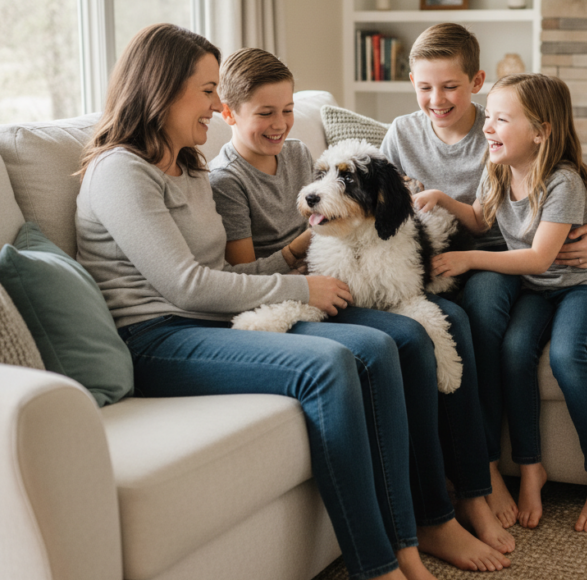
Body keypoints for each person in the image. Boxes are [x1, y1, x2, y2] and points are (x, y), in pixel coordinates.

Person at [75, 23, 439, 580]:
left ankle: (409, 541)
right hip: (153, 338)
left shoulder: (189, 165)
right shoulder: (120, 171)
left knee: (379, 346)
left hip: (210, 321)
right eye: (205, 91)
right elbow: (186, 286)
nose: (215, 104)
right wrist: (300, 287)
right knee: (332, 366)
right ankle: (379, 567)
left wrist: (302, 250)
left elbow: (224, 276)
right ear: (162, 89)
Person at [207, 47, 513, 571]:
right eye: (266, 113)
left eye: (287, 110)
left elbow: (351, 193)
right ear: (229, 113)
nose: (281, 124)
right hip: (304, 283)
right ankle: (433, 515)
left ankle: (474, 488)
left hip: (339, 262)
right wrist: (307, 254)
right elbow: (244, 274)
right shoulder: (226, 180)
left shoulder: (302, 153)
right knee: (412, 339)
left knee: (457, 322)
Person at [379, 22, 587, 529]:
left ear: (477, 82)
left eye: (450, 86)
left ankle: (515, 467)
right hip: (446, 262)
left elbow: (573, 191)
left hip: (505, 264)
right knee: (494, 345)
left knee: (489, 319)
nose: (437, 99)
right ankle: (492, 465)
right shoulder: (412, 136)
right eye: (424, 87)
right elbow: (461, 209)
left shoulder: (504, 127)